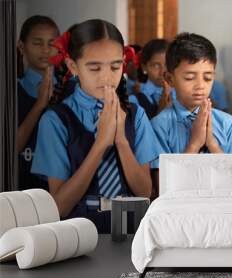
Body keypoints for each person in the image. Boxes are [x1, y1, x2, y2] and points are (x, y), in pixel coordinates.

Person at [31, 19, 161, 233]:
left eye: (115, 66)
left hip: (132, 231)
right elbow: (60, 206)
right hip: (77, 234)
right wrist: (100, 144)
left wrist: (120, 140)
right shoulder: (55, 120)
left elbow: (145, 191)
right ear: (73, 66)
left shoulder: (136, 115)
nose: (106, 76)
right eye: (94, 67)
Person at [150, 33, 232, 194]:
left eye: (207, 78)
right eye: (189, 77)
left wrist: (212, 144)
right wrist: (194, 144)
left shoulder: (226, 123)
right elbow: (163, 188)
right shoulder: (159, 126)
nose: (200, 86)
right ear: (170, 79)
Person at [17, 15, 59, 190]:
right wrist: (40, 104)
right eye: (37, 43)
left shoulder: (71, 89)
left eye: (51, 43)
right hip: (22, 186)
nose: (45, 49)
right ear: (21, 46)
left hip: (62, 187)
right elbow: (10, 148)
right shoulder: (11, 91)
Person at [129, 39, 176, 118]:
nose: (163, 72)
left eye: (167, 64)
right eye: (156, 65)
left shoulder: (181, 95)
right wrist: (161, 110)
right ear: (144, 67)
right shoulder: (134, 100)